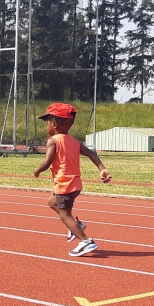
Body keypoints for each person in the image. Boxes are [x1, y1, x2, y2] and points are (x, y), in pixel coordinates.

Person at [33, 103, 111, 257]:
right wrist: (102, 168)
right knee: (52, 202)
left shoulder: (53, 140)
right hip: (75, 184)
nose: (46, 127)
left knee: (65, 215)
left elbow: (47, 161)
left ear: (54, 123)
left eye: (46, 122)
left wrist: (37, 170)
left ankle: (86, 241)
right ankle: (77, 225)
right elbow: (91, 153)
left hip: (65, 184)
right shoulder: (73, 141)